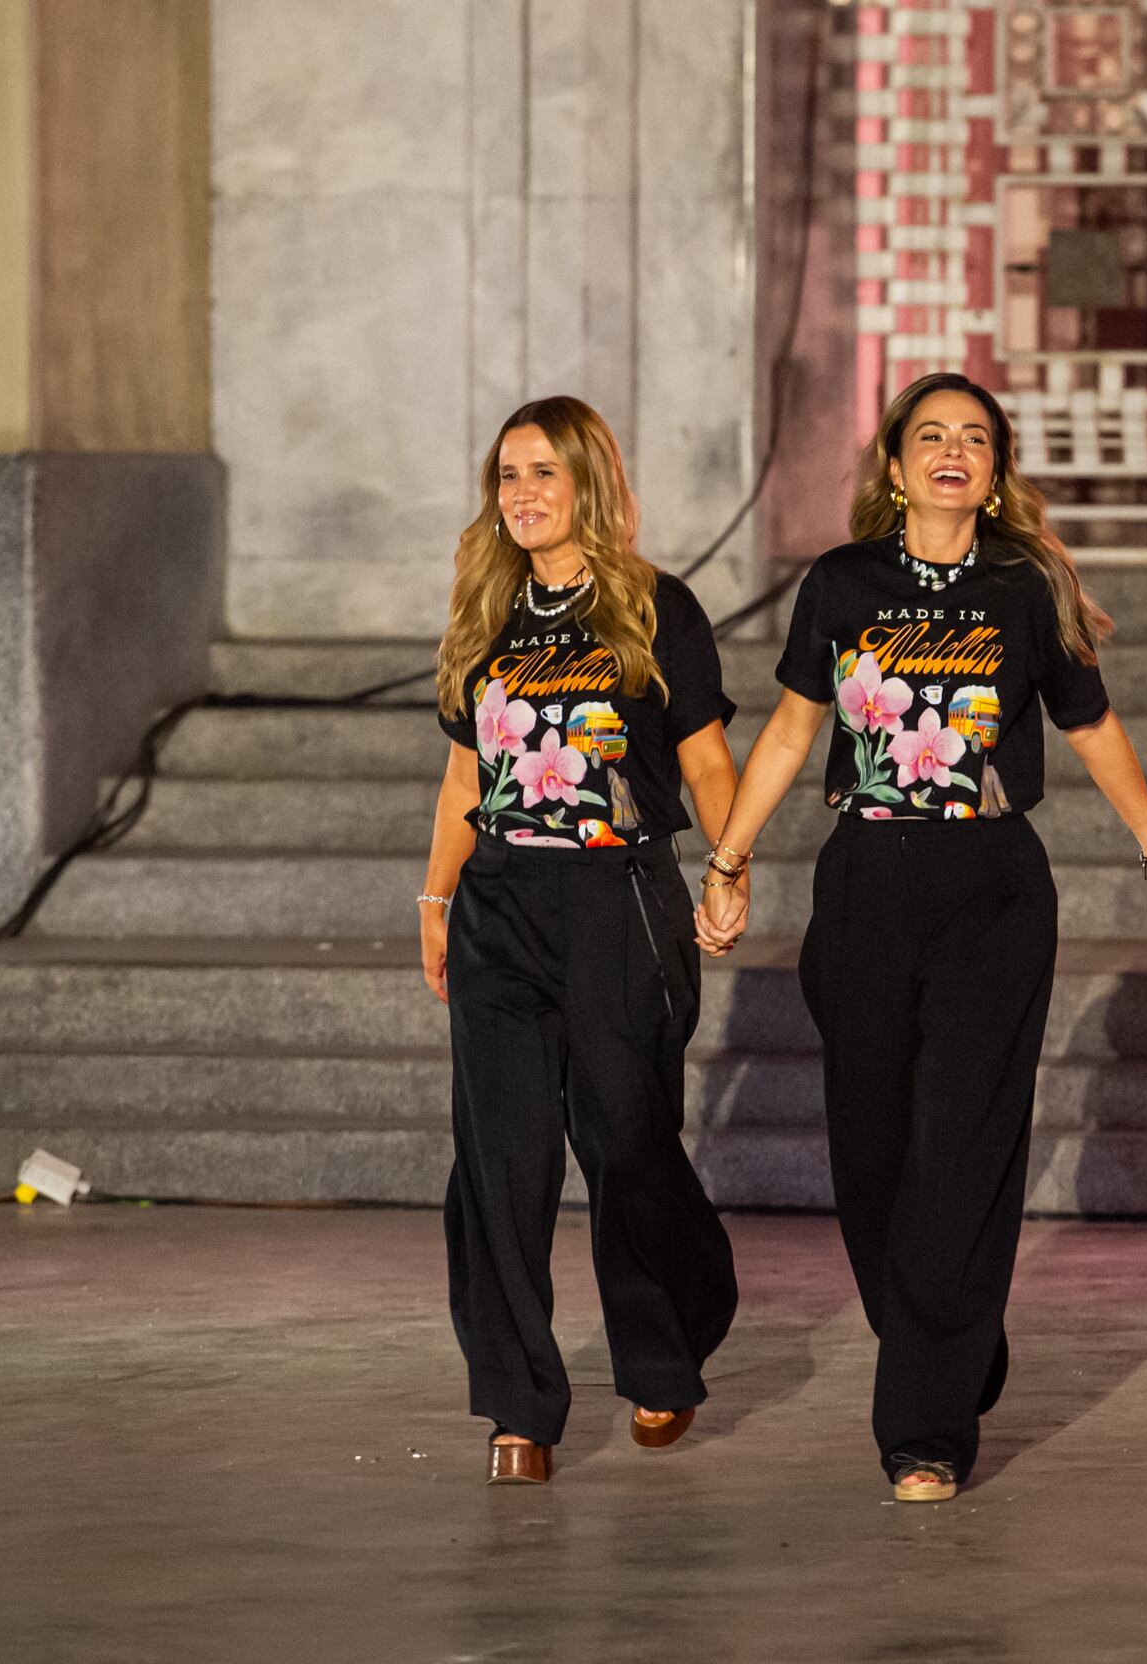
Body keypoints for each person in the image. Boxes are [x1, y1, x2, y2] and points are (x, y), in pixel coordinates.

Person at [694, 371, 1147, 1503]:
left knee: (962, 1147)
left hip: (991, 886)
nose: (951, 450)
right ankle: (954, 1333)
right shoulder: (840, 583)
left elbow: (1089, 721)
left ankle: (923, 1427)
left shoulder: (1027, 586)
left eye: (973, 438)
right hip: (866, 880)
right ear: (893, 466)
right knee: (873, 1153)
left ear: (993, 471)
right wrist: (729, 859)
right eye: (929, 435)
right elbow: (789, 732)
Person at [420, 396, 741, 1485]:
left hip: (620, 899)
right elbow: (466, 774)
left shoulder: (656, 607)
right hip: (500, 906)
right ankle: (520, 1404)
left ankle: (665, 1342)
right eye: (506, 474)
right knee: (500, 1161)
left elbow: (703, 759)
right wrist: (434, 901)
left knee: (627, 1143)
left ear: (589, 484)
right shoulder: (485, 610)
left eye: (543, 472)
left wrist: (731, 866)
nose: (521, 493)